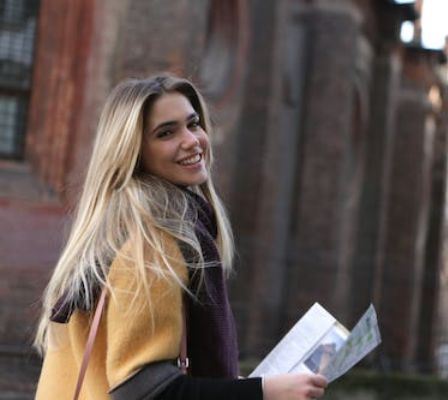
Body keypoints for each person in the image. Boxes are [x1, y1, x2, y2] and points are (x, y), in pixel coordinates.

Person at [33, 74, 328, 400]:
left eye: (193, 124)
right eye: (166, 133)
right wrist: (263, 392)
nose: (191, 140)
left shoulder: (118, 230)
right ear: (133, 151)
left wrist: (239, 385)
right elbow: (141, 391)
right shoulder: (153, 244)